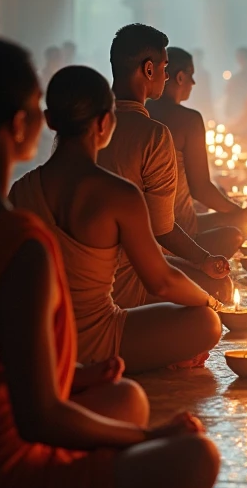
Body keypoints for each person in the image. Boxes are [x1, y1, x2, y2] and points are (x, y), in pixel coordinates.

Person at [0, 37, 219, 488]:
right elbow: (39, 417)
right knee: (195, 457)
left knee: (125, 397)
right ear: (24, 124)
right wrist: (151, 439)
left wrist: (77, 375)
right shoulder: (17, 241)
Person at [11, 65, 223, 373]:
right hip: (99, 339)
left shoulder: (20, 191)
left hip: (43, 342)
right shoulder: (118, 194)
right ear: (106, 122)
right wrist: (210, 302)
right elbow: (161, 282)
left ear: (50, 121)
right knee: (206, 323)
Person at [97, 24, 232, 306]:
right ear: (149, 70)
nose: (166, 76)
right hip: (128, 272)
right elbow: (162, 229)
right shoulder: (152, 133)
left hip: (83, 273)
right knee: (217, 292)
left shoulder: (88, 125)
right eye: (164, 67)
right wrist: (203, 259)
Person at [148, 47, 247, 256]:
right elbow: (201, 189)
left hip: (144, 231)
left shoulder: (142, 111)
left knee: (227, 211)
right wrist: (238, 212)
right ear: (179, 77)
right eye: (191, 76)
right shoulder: (189, 120)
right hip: (176, 234)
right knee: (237, 230)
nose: (193, 83)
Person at [224, 46, 247, 124]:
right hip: (237, 111)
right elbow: (230, 93)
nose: (239, 60)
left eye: (241, 57)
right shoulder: (236, 78)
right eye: (239, 57)